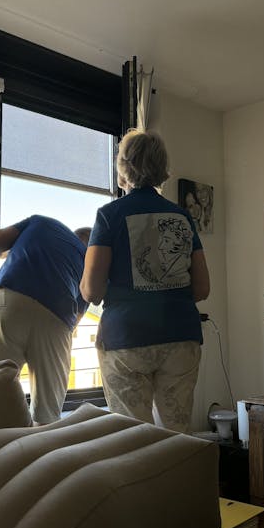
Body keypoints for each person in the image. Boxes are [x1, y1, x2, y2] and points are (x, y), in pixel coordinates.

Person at [80, 129, 210, 433]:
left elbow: (91, 290)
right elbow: (202, 288)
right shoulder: (182, 217)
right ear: (162, 167)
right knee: (176, 436)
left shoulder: (109, 215)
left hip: (127, 339)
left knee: (134, 439)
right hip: (181, 336)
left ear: (123, 167)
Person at [0, 215, 90, 424]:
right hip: (56, 313)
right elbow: (75, 321)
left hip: (7, 298)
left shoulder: (42, 222)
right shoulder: (89, 261)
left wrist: (8, 253)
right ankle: (42, 435)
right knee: (48, 410)